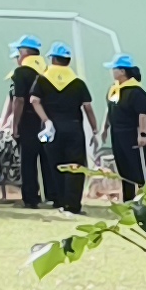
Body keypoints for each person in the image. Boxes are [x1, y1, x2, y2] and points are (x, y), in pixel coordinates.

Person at [38, 47, 95, 211]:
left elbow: (34, 100)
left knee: (54, 163)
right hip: (74, 127)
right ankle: (73, 204)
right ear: (68, 61)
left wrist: (46, 120)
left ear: (53, 59)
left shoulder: (42, 79)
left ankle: (59, 201)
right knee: (75, 165)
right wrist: (95, 129)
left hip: (51, 129)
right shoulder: (78, 82)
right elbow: (88, 107)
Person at [105, 57, 146, 198]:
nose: (112, 72)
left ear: (122, 71)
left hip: (132, 133)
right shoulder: (115, 90)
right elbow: (110, 110)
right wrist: (105, 128)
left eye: (114, 69)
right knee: (124, 168)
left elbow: (142, 115)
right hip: (117, 133)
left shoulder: (137, 92)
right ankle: (128, 199)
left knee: (138, 167)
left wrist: (142, 134)